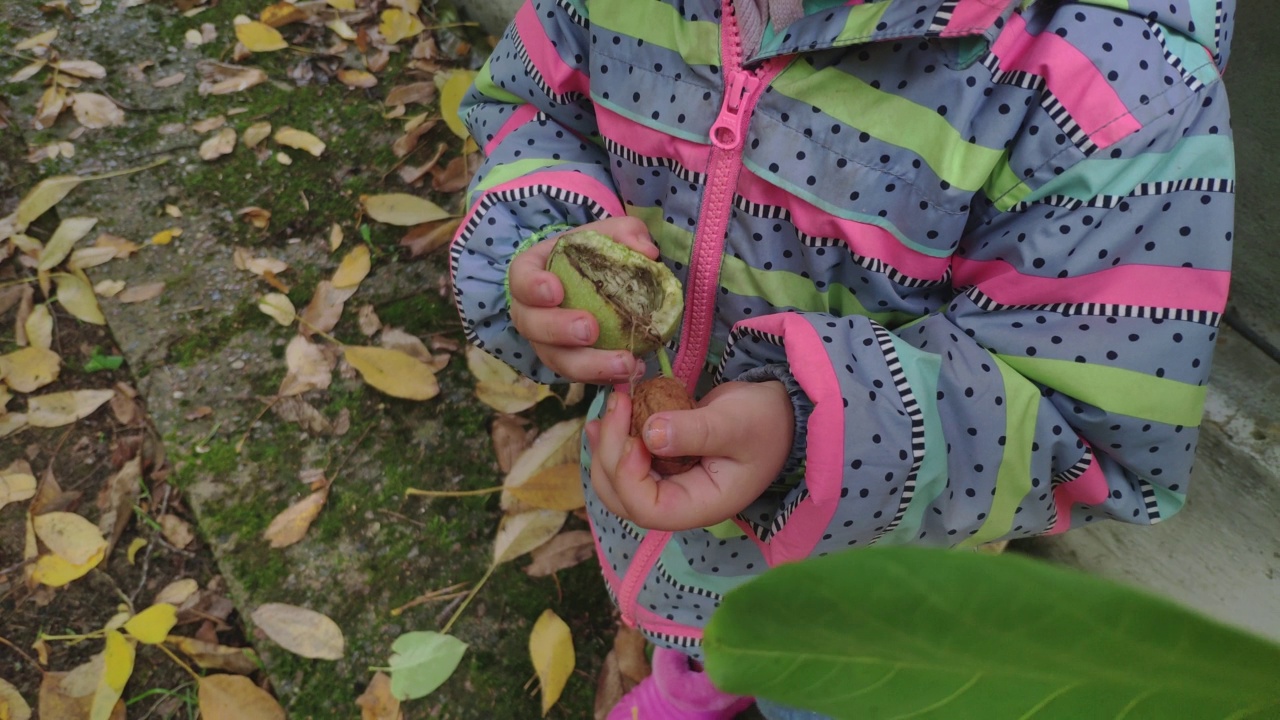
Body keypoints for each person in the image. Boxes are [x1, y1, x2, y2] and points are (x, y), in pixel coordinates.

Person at [450, 0, 1235, 716]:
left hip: (873, 586)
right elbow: (534, 106)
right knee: (695, 608)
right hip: (655, 492)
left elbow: (1085, 423)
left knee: (827, 689)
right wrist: (543, 239)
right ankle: (701, 671)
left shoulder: (1118, 86)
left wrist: (814, 434)